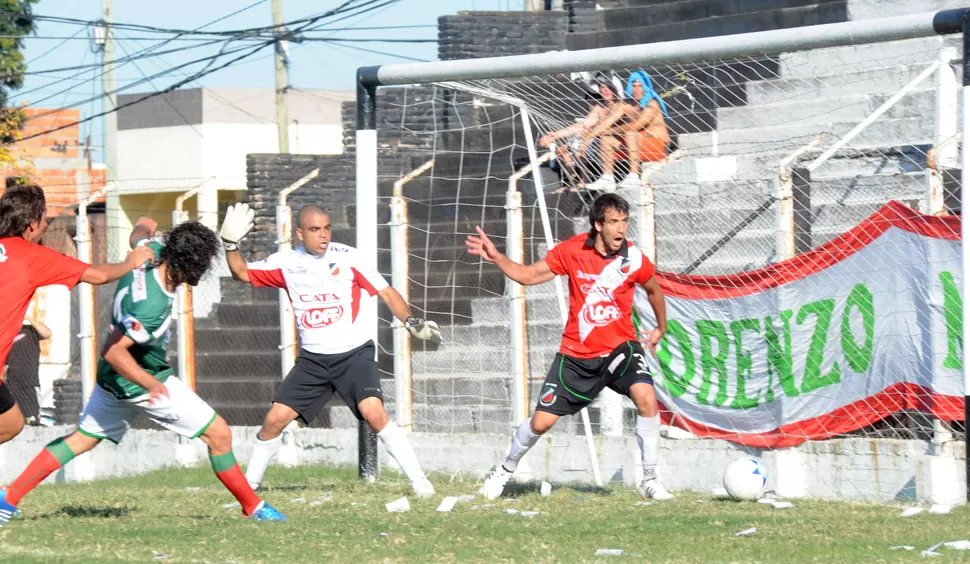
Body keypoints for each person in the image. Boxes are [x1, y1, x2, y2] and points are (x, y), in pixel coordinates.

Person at [0, 221, 287, 526]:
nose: (203, 272)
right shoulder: (150, 303)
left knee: (81, 439)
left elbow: (139, 239)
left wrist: (142, 228)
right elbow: (113, 350)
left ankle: (9, 497)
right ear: (189, 264)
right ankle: (253, 507)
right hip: (141, 380)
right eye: (202, 264)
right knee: (219, 434)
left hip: (112, 380)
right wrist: (150, 383)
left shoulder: (154, 252)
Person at [220, 203, 443, 497]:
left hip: (353, 355)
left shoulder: (349, 258)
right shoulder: (285, 262)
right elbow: (242, 273)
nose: (323, 235)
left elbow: (386, 291)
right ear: (299, 233)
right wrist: (230, 244)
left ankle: (420, 482)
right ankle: (248, 491)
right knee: (274, 420)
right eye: (315, 230)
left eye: (326, 228)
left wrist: (411, 320)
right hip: (313, 361)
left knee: (373, 413)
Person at [465, 193, 673, 500]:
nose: (621, 229)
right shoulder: (572, 251)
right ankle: (505, 468)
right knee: (541, 422)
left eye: (625, 222)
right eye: (614, 222)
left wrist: (660, 327)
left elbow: (654, 289)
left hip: (621, 349)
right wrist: (497, 257)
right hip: (577, 357)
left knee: (646, 398)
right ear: (598, 224)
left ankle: (650, 478)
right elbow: (529, 275)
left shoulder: (634, 258)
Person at [0, 184, 155, 449]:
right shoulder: (31, 257)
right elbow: (98, 275)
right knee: (11, 423)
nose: (47, 224)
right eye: (45, 218)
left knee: (12, 422)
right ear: (30, 225)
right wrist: (131, 262)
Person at [584, 70, 670, 192]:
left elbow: (636, 125)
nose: (636, 89)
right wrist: (589, 136)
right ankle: (607, 178)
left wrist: (610, 130)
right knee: (606, 138)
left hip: (656, 147)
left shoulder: (652, 104)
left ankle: (634, 176)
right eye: (633, 86)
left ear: (646, 87)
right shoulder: (627, 104)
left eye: (640, 86)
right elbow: (608, 121)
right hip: (636, 147)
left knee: (629, 131)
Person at [539, 90, 610, 191]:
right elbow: (582, 125)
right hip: (594, 146)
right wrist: (556, 135)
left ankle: (585, 180)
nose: (592, 103)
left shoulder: (619, 106)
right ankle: (574, 183)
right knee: (570, 151)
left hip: (609, 144)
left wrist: (590, 135)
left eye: (595, 100)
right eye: (590, 100)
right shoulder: (597, 111)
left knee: (578, 148)